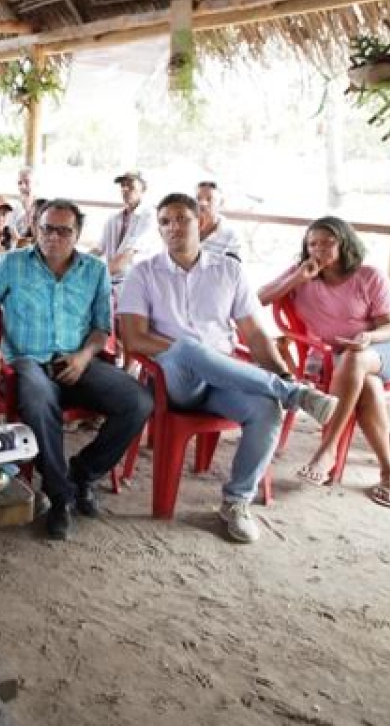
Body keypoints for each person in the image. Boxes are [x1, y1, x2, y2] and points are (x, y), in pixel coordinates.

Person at [117, 194, 339, 544]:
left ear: (200, 221)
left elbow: (254, 334)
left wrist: (282, 372)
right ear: (159, 229)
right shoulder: (144, 273)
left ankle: (236, 503)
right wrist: (185, 350)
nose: (174, 227)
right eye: (165, 221)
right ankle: (296, 395)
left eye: (182, 219)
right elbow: (133, 339)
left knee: (266, 409)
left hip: (224, 379)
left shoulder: (228, 270)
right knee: (188, 347)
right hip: (176, 382)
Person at [0, 200, 153, 540]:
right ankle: (59, 496)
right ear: (36, 229)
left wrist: (83, 357)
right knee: (38, 403)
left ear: (77, 234)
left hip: (77, 363)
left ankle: (83, 472)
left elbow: (101, 329)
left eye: (63, 230)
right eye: (46, 228)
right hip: (28, 362)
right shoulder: (13, 264)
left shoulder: (95, 270)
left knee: (138, 401)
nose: (53, 236)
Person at [257, 216, 390, 507]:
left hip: (385, 350)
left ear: (345, 243)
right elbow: (258, 300)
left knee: (356, 359)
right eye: (312, 243)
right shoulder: (302, 274)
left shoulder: (369, 276)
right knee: (369, 386)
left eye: (328, 242)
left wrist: (367, 338)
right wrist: (298, 278)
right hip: (344, 360)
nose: (319, 249)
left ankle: (327, 451)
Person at [96, 170, 159, 285]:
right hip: (112, 281)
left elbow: (127, 256)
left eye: (130, 185)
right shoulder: (113, 219)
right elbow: (98, 250)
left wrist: (95, 278)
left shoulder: (150, 216)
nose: (125, 189)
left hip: (139, 284)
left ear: (143, 189)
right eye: (122, 185)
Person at [196, 181, 243, 260]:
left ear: (220, 203)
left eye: (209, 199)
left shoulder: (231, 235)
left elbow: (234, 269)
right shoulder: (183, 227)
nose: (202, 203)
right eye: (198, 198)